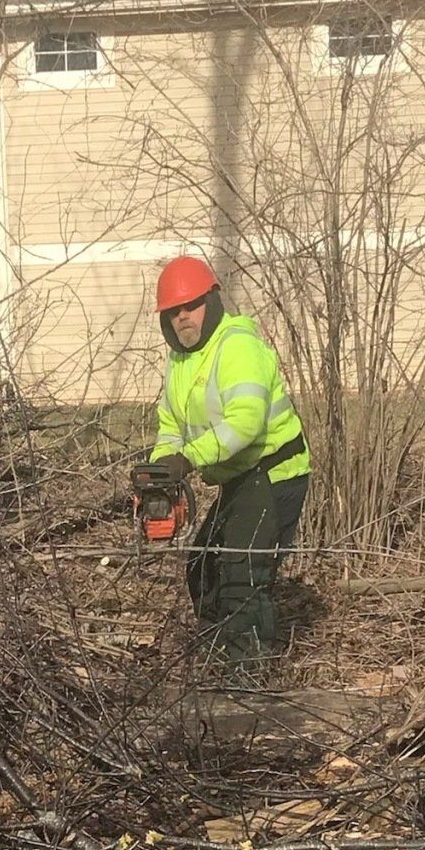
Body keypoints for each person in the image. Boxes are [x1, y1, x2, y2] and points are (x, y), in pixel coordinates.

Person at [136, 254, 310, 665]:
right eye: (173, 312)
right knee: (203, 566)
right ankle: (217, 656)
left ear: (211, 301)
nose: (183, 318)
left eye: (191, 306)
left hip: (275, 471)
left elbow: (245, 424)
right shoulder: (181, 361)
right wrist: (162, 471)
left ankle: (248, 676)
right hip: (241, 476)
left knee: (240, 574)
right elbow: (170, 426)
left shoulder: (237, 347)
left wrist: (189, 460)